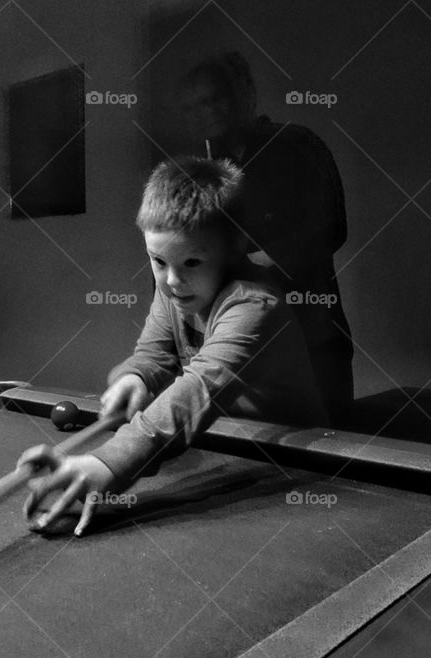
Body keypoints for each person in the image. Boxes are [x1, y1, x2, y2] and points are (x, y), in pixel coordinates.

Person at [18, 157, 327, 536]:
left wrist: (107, 463)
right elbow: (155, 354)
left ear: (234, 249)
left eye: (192, 262)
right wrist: (136, 378)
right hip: (224, 444)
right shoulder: (173, 292)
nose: (172, 280)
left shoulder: (254, 305)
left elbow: (196, 388)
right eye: (158, 261)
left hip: (297, 459)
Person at [179, 51, 354, 424]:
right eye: (192, 106)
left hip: (315, 345)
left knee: (328, 465)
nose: (203, 112)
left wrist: (245, 268)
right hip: (243, 356)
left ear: (244, 95)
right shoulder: (205, 176)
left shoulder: (296, 144)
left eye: (212, 99)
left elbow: (332, 228)